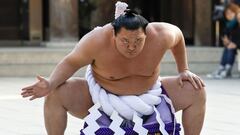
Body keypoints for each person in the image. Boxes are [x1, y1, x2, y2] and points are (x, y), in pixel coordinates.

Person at [21, 1, 206, 135]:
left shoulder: (161, 34)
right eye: (125, 41)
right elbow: (71, 62)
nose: (132, 47)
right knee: (56, 92)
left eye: (138, 41)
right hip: (101, 99)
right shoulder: (97, 40)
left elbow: (179, 37)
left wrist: (184, 69)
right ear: (113, 35)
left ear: (147, 34)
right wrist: (51, 82)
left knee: (196, 90)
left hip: (151, 97)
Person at [208, 3, 239, 79]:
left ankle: (227, 69)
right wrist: (226, 41)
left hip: (237, 44)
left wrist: (236, 44)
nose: (229, 15)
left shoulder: (238, 23)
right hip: (233, 45)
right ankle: (222, 68)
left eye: (231, 13)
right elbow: (224, 35)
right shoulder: (229, 24)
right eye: (227, 13)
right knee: (227, 47)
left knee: (230, 48)